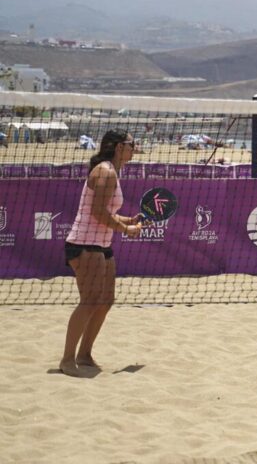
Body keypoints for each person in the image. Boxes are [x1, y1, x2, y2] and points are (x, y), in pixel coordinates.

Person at [60, 129, 143, 376]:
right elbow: (96, 212)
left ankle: (85, 355)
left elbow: (104, 212)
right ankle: (67, 360)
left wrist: (128, 219)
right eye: (131, 144)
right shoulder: (106, 172)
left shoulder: (113, 171)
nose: (134, 148)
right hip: (84, 244)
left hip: (101, 245)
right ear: (119, 147)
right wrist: (126, 229)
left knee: (105, 301)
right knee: (90, 301)